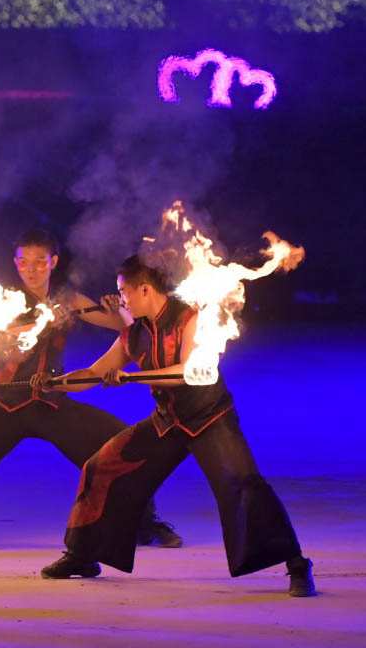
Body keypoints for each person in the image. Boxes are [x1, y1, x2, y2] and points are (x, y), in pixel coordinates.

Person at [40, 256, 315, 597]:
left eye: (123, 291)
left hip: (210, 418)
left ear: (144, 289)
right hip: (167, 422)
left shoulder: (190, 317)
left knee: (245, 483)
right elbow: (95, 372)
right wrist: (56, 383)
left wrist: (130, 377)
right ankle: (83, 556)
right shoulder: (133, 334)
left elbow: (187, 371)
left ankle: (297, 564)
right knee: (102, 467)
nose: (120, 300)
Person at [0, 230, 181, 547]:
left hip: (50, 401)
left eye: (39, 262)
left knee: (120, 447)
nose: (31, 270)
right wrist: (44, 322)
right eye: (24, 262)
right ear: (15, 263)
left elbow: (125, 326)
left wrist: (116, 307)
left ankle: (144, 524)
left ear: (53, 262)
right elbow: (4, 347)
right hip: (4, 405)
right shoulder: (2, 300)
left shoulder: (68, 299)